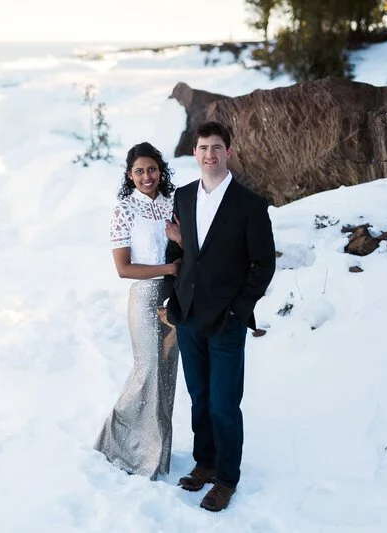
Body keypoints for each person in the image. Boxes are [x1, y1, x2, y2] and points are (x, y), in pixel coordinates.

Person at [164, 121, 276, 511]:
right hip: (189, 316)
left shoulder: (250, 204)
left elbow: (262, 266)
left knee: (223, 403)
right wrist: (170, 302)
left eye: (216, 147)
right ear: (194, 153)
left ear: (229, 152)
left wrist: (238, 310)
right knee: (199, 398)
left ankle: (227, 477)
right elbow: (176, 254)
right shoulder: (182, 197)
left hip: (227, 321)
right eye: (202, 147)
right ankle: (205, 463)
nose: (209, 154)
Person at [94, 142, 181, 480]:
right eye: (139, 171)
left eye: (152, 169)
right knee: (147, 369)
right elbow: (123, 268)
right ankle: (116, 442)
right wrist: (168, 270)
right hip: (145, 296)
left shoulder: (173, 204)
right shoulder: (125, 210)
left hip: (174, 298)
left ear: (161, 171)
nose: (147, 176)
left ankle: (155, 456)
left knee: (168, 374)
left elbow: (187, 248)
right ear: (130, 175)